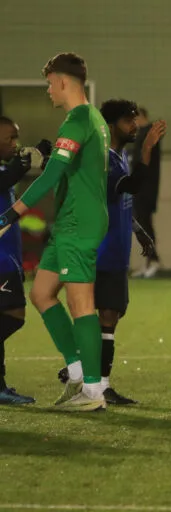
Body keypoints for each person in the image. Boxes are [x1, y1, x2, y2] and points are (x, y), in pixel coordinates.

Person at [0, 52, 110, 412]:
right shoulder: (90, 119)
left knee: (81, 305)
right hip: (68, 222)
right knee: (43, 293)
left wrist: (12, 213)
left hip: (79, 224)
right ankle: (78, 373)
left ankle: (94, 393)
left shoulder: (79, 119)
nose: (48, 90)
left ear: (63, 81)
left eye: (50, 83)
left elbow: (51, 176)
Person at [57, 99, 164, 405]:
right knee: (103, 316)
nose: (135, 126)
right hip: (99, 251)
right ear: (112, 124)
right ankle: (94, 382)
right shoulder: (103, 158)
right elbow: (131, 185)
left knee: (110, 315)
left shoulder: (118, 156)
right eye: (129, 121)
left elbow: (119, 199)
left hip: (116, 251)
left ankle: (88, 377)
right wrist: (147, 150)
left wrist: (138, 229)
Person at [0, 117, 49, 404]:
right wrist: (28, 159)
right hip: (0, 262)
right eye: (9, 139)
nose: (14, 144)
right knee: (14, 315)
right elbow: (7, 178)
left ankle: (1, 387)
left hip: (9, 257)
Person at [131, 107, 161, 278]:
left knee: (144, 224)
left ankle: (153, 260)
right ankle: (148, 261)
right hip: (139, 188)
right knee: (140, 224)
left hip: (145, 189)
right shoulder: (141, 134)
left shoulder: (150, 134)